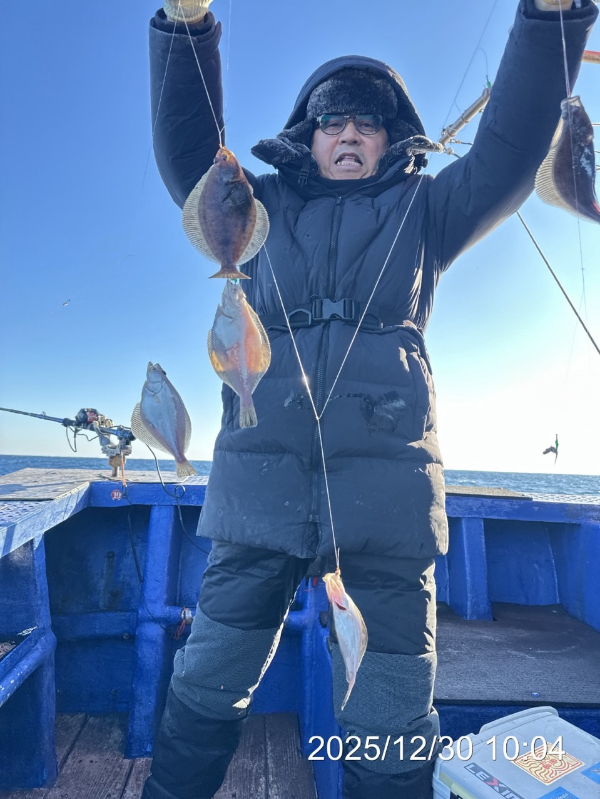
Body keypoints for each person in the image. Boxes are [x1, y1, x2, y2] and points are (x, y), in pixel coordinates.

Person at [143, 1, 597, 797]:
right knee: (207, 678)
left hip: (386, 505)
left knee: (391, 713)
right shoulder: (255, 209)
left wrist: (548, 18)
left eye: (368, 121)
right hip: (257, 493)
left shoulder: (430, 212)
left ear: (392, 139)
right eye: (332, 119)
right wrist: (187, 26)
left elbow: (509, 146)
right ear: (307, 135)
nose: (349, 132)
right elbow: (188, 152)